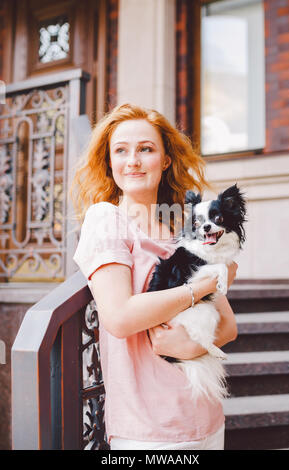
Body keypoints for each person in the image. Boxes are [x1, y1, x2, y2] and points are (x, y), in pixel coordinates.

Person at [70, 103, 238, 450]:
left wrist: (192, 345)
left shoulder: (183, 227)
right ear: (110, 162)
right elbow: (119, 317)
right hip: (148, 429)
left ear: (164, 160)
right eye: (121, 151)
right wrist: (205, 285)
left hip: (206, 416)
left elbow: (228, 326)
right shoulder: (106, 219)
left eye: (145, 149)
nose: (132, 160)